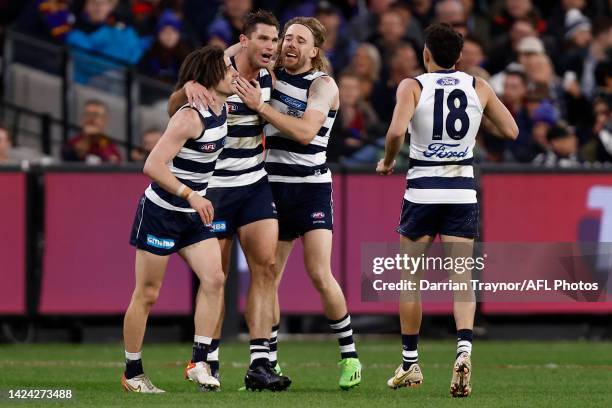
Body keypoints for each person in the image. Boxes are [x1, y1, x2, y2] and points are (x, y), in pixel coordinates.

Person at [375, 23, 518, 397]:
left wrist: (389, 161)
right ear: (459, 56)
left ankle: (410, 364)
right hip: (461, 192)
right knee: (461, 278)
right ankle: (464, 349)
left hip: (422, 191)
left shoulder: (413, 85)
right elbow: (512, 131)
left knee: (410, 277)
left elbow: (394, 132)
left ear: (426, 54)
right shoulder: (478, 87)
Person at [234, 16, 362, 390]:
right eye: (286, 38)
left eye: (299, 40)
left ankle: (350, 356)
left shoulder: (322, 85)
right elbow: (230, 57)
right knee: (266, 277)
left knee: (319, 273)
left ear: (314, 50)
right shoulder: (268, 74)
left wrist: (261, 107)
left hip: (310, 189)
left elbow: (306, 133)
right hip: (271, 187)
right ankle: (266, 365)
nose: (290, 45)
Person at [167, 10, 292, 392]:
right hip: (216, 188)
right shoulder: (217, 70)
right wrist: (186, 87)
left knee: (266, 267)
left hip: (254, 184)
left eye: (275, 39)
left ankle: (260, 364)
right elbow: (173, 108)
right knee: (215, 278)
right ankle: (208, 360)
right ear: (245, 40)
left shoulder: (270, 80)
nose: (272, 46)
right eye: (265, 39)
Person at [121, 46, 237, 393]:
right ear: (211, 76)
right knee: (148, 294)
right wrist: (191, 194)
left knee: (215, 279)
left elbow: (225, 53)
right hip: (162, 213)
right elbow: (152, 166)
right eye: (227, 69)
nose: (234, 73)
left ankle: (199, 362)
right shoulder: (189, 116)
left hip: (192, 217)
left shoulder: (222, 106)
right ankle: (132, 373)